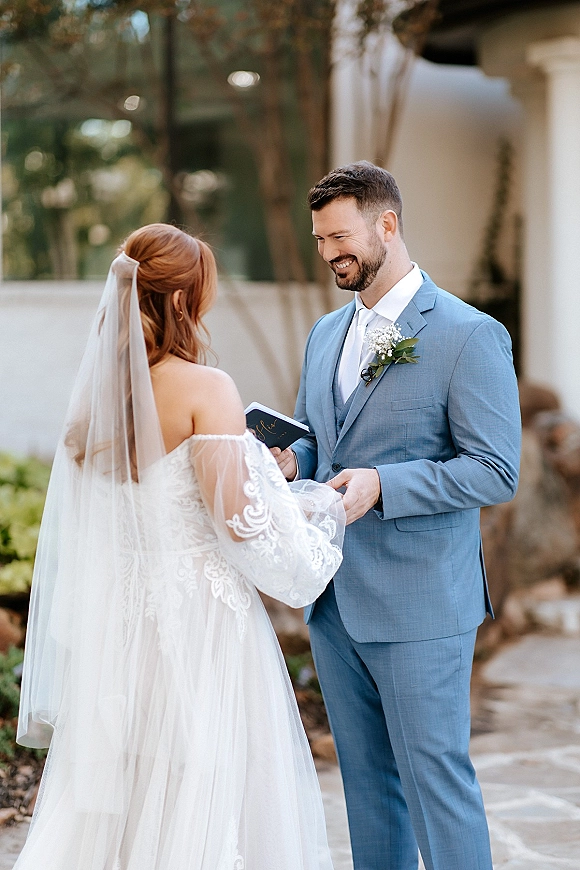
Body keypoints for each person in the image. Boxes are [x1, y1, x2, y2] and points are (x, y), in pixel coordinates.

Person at [15, 223, 345, 870]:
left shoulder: (94, 401)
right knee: (208, 786)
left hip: (123, 626)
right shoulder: (206, 388)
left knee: (134, 790)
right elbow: (241, 526)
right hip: (201, 623)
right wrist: (317, 508)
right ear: (179, 302)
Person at [272, 162, 521, 870]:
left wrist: (386, 484)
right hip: (334, 601)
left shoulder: (468, 335)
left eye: (340, 236)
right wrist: (294, 461)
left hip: (421, 605)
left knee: (435, 783)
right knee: (367, 790)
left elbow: (497, 469)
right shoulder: (327, 332)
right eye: (320, 240)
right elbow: (322, 438)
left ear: (388, 225)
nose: (329, 253)